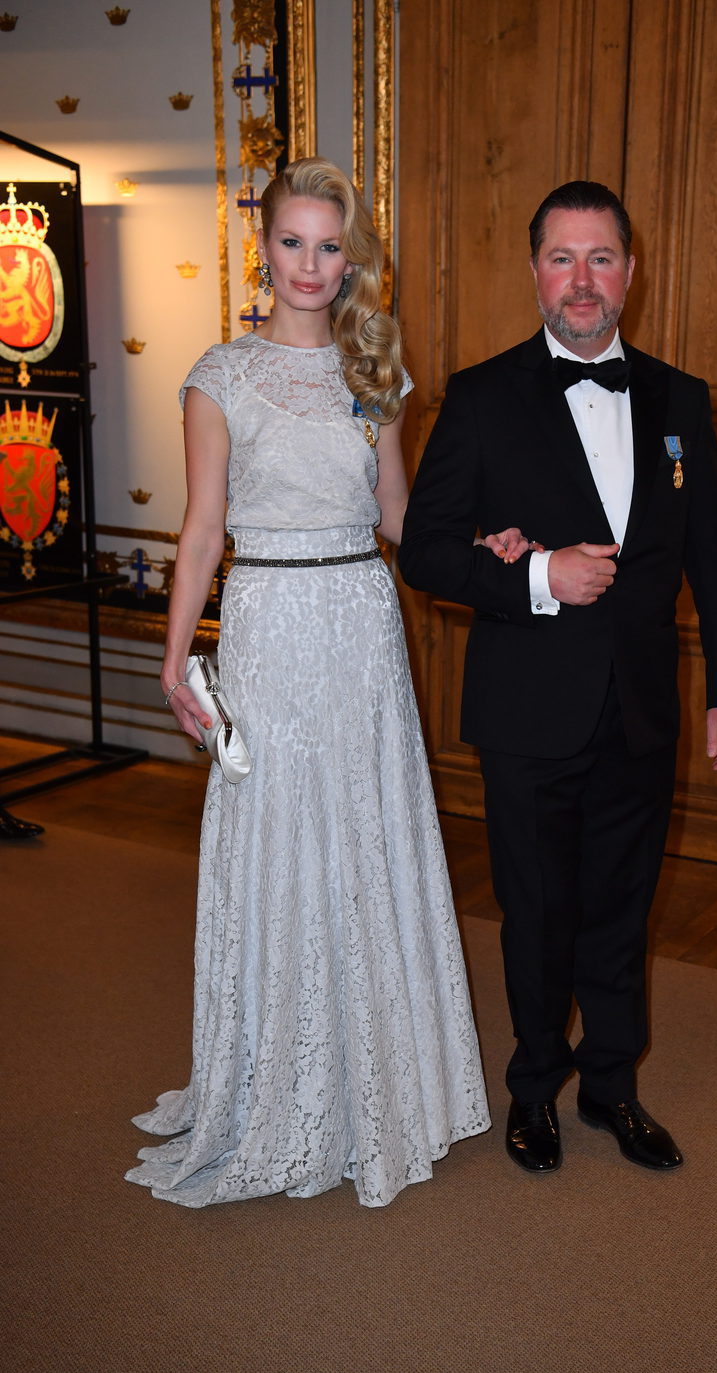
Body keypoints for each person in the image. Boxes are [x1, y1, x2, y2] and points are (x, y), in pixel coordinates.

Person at [126, 158, 492, 1208]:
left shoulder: (376, 375)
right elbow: (199, 534)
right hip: (269, 625)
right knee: (280, 837)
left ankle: (379, 1075)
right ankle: (275, 1081)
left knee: (365, 833)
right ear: (265, 248)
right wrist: (172, 657)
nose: (309, 265)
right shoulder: (219, 376)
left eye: (329, 247)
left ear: (350, 259)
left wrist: (484, 543)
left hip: (360, 623)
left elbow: (395, 518)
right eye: (292, 242)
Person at [399, 180, 717, 1176]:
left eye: (600, 258)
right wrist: (535, 575)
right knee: (538, 912)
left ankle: (610, 1087)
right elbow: (426, 551)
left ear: (629, 274)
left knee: (619, 906)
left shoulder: (681, 400)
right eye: (561, 258)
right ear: (533, 273)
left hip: (640, 709)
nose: (581, 280)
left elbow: (714, 559)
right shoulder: (478, 396)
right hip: (525, 709)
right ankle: (530, 1091)